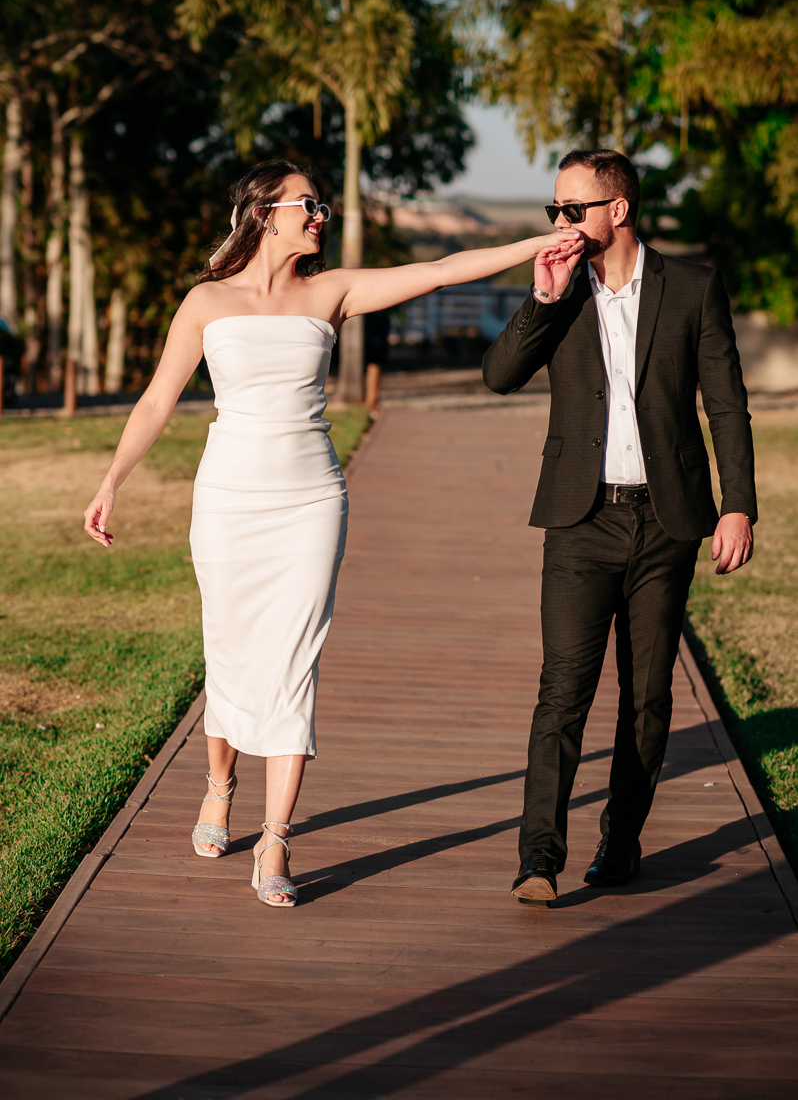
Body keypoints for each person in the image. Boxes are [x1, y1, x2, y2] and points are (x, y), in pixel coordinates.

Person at [84, 159, 579, 909]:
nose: (321, 216)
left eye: (321, 205)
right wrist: (110, 482)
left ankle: (276, 838)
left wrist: (535, 245)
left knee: (295, 660)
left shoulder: (331, 292)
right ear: (265, 214)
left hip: (310, 500)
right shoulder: (207, 302)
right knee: (231, 649)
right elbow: (156, 401)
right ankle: (219, 783)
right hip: (227, 502)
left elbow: (440, 270)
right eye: (308, 204)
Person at [483, 148, 756, 906]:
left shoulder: (692, 287)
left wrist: (737, 503)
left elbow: (725, 404)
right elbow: (499, 375)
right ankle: (539, 858)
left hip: (667, 522)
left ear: (619, 210)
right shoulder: (561, 289)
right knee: (563, 691)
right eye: (554, 209)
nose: (560, 222)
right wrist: (542, 298)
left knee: (647, 696)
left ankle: (621, 841)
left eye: (573, 209)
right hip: (581, 520)